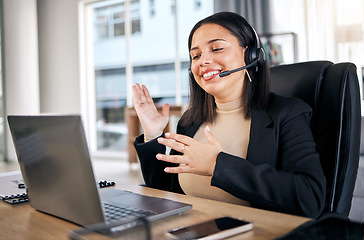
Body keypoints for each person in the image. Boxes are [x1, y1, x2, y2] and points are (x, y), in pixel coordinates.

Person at [132, 12, 326, 218]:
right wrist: (153, 134)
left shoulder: (287, 113)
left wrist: (217, 164)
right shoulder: (191, 121)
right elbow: (165, 194)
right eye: (195, 56)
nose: (203, 61)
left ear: (251, 55)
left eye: (217, 48)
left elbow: (310, 198)